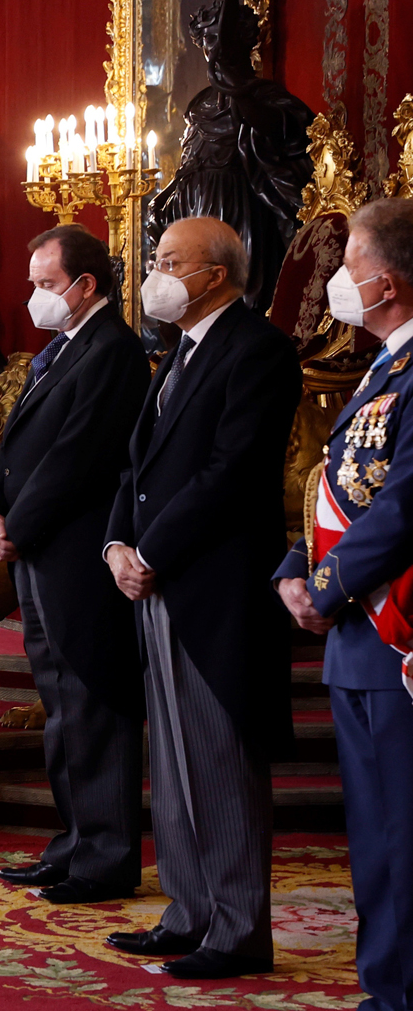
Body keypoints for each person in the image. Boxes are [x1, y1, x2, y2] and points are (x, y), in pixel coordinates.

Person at [101, 216, 301, 980]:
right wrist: (118, 544)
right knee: (175, 763)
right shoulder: (177, 354)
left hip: (215, 588)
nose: (153, 271)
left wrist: (151, 550)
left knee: (219, 759)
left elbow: (233, 471)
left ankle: (238, 929)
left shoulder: (257, 350)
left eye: (166, 260)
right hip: (155, 581)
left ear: (214, 274)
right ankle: (188, 912)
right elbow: (137, 468)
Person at [0, 225, 149, 905]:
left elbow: (78, 459)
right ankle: (73, 842)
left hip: (76, 553)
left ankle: (106, 856)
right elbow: (16, 445)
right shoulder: (61, 348)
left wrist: (15, 527)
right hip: (36, 551)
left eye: (47, 286)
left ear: (86, 285)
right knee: (59, 707)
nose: (35, 298)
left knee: (92, 705)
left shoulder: (113, 351)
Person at [273, 198, 413, 1010]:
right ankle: (385, 985)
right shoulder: (382, 366)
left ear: (385, 281)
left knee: (402, 832)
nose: (335, 282)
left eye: (347, 262)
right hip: (359, 639)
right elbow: (339, 485)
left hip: (395, 631)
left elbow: (402, 506)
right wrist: (296, 564)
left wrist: (325, 590)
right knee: (375, 837)